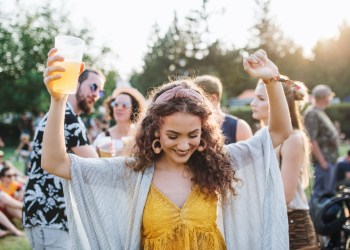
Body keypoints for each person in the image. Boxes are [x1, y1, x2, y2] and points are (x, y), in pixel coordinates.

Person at [40, 49, 292, 249]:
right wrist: (59, 99)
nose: (184, 145)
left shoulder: (218, 162)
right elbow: (55, 163)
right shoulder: (132, 173)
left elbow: (280, 132)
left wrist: (271, 78)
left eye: (193, 135)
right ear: (155, 132)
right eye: (173, 135)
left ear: (204, 133)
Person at [22, 51, 106, 250]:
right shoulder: (67, 117)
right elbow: (94, 164)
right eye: (93, 87)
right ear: (76, 82)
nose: (96, 94)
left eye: (100, 91)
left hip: (49, 212)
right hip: (48, 212)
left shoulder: (65, 115)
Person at [251, 78, 317, 249]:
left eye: (260, 99)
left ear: (278, 102)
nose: (252, 103)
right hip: (267, 223)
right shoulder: (260, 136)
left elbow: (285, 195)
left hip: (293, 226)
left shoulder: (293, 139)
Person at [304, 84, 339, 204]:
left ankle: (323, 221)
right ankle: (314, 220)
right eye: (329, 96)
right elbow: (311, 139)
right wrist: (322, 162)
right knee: (320, 195)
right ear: (324, 97)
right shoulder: (312, 113)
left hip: (329, 160)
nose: (330, 99)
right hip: (324, 162)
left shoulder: (319, 112)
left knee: (327, 194)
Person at [194, 75, 253, 143]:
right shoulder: (192, 125)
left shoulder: (239, 127)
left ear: (213, 99)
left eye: (196, 98)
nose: (192, 102)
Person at [93, 86, 146, 157]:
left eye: (124, 105)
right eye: (116, 104)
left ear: (134, 109)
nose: (119, 108)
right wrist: (97, 155)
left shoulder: (142, 137)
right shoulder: (102, 139)